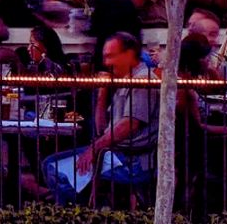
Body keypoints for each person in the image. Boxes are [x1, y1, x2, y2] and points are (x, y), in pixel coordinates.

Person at [40, 32, 158, 204]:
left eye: (110, 56)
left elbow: (129, 125)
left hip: (132, 160)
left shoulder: (142, 81)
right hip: (113, 153)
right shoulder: (124, 80)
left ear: (130, 54)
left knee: (55, 169)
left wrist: (94, 149)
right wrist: (103, 92)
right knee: (50, 164)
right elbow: (101, 129)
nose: (106, 63)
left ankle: (81, 211)